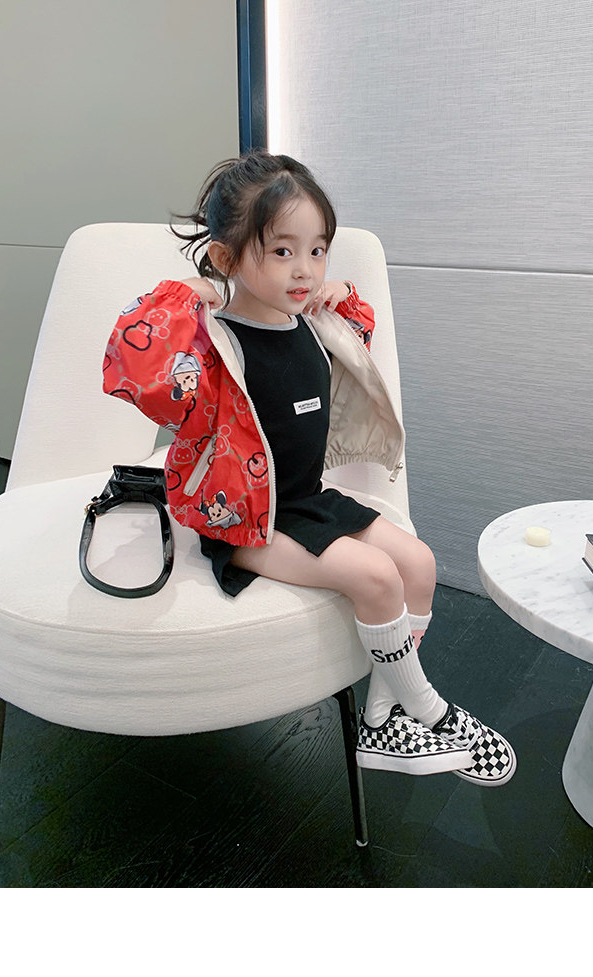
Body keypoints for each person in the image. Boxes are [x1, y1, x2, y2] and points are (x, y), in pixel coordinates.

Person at [103, 150, 516, 786]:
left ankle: (381, 717)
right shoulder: (215, 346)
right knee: (376, 577)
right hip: (246, 520)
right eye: (282, 251)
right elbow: (138, 369)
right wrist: (185, 294)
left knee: (419, 563)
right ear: (226, 257)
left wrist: (339, 292)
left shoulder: (313, 328)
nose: (305, 269)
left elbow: (358, 324)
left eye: (317, 250)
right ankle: (426, 708)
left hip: (306, 499)